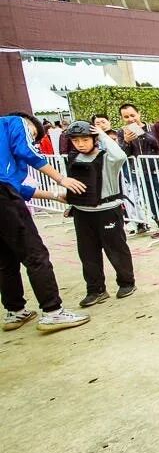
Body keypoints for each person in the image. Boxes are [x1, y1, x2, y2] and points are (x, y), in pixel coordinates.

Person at [0, 112, 90, 332]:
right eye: (32, 135)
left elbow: (19, 189)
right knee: (35, 255)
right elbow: (26, 152)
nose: (31, 139)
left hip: (5, 193)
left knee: (5, 258)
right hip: (3, 196)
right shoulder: (14, 122)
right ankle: (53, 312)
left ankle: (15, 311)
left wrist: (54, 195)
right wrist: (61, 178)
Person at [62, 121, 137, 307]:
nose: (80, 144)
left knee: (116, 249)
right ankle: (95, 290)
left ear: (94, 139)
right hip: (82, 213)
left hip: (107, 210)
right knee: (87, 253)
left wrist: (102, 134)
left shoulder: (108, 159)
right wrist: (72, 203)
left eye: (85, 139)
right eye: (76, 140)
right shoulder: (73, 158)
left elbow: (120, 156)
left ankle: (127, 283)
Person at [119, 103, 159, 241]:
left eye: (132, 115)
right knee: (150, 201)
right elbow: (123, 153)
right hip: (140, 173)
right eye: (126, 117)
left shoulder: (153, 128)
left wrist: (142, 134)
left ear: (139, 114)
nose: (130, 119)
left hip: (158, 169)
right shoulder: (122, 132)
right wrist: (126, 141)